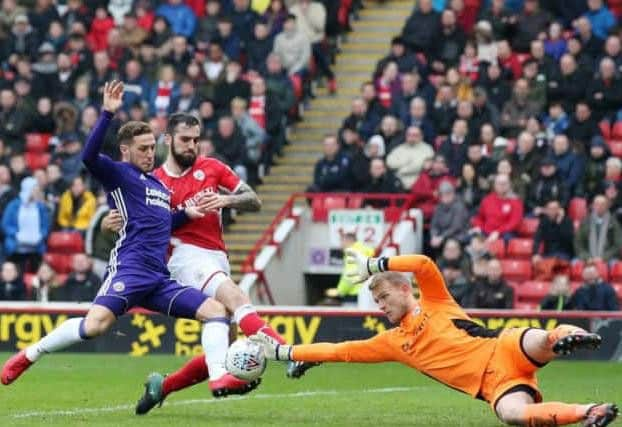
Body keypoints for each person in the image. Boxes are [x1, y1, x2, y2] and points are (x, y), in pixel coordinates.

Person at [0, 82, 224, 388]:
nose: (149, 154)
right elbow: (89, 157)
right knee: (94, 326)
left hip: (159, 278)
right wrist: (106, 113)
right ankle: (29, 355)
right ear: (125, 150)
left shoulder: (158, 187)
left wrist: (185, 215)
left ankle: (221, 378)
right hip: (130, 270)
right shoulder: (119, 173)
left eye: (151, 147)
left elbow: (160, 227)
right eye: (142, 149)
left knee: (216, 312)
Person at [251, 250, 618, 427]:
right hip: (497, 383)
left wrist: (374, 265)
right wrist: (284, 351)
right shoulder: (394, 342)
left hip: (503, 345)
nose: (380, 306)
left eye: (383, 297)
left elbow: (424, 264)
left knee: (542, 340)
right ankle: (590, 412)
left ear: (402, 288)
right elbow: (339, 350)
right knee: (512, 415)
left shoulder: (436, 300)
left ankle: (576, 335)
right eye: (376, 301)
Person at [118, 112, 314, 414]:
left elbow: (253, 199)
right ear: (168, 140)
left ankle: (162, 386)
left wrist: (226, 200)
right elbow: (140, 225)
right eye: (185, 140)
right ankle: (290, 354)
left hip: (216, 257)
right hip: (184, 258)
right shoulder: (154, 182)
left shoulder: (212, 168)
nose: (192, 146)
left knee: (226, 341)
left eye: (196, 140)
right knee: (237, 298)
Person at [335, 231, 374, 304]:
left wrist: (340, 291)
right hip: (368, 294)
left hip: (354, 296)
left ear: (348, 240)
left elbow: (350, 276)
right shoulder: (367, 251)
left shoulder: (351, 252)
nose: (340, 245)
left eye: (341, 241)